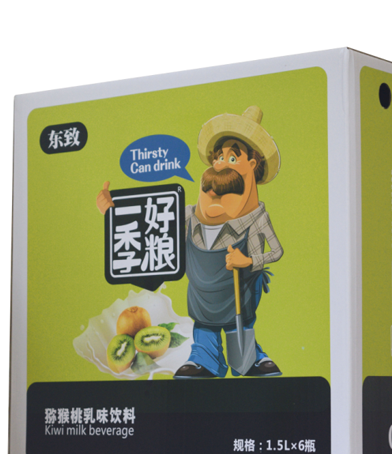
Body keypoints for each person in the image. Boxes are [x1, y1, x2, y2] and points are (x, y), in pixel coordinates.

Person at [97, 106, 283, 378]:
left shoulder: (255, 218)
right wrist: (114, 214)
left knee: (240, 325)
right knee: (205, 326)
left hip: (237, 295)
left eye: (233, 157)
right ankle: (205, 358)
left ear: (252, 166)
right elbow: (151, 228)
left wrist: (249, 260)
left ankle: (250, 357)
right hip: (201, 296)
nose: (221, 164)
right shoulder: (188, 215)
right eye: (219, 157)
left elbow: (276, 251)